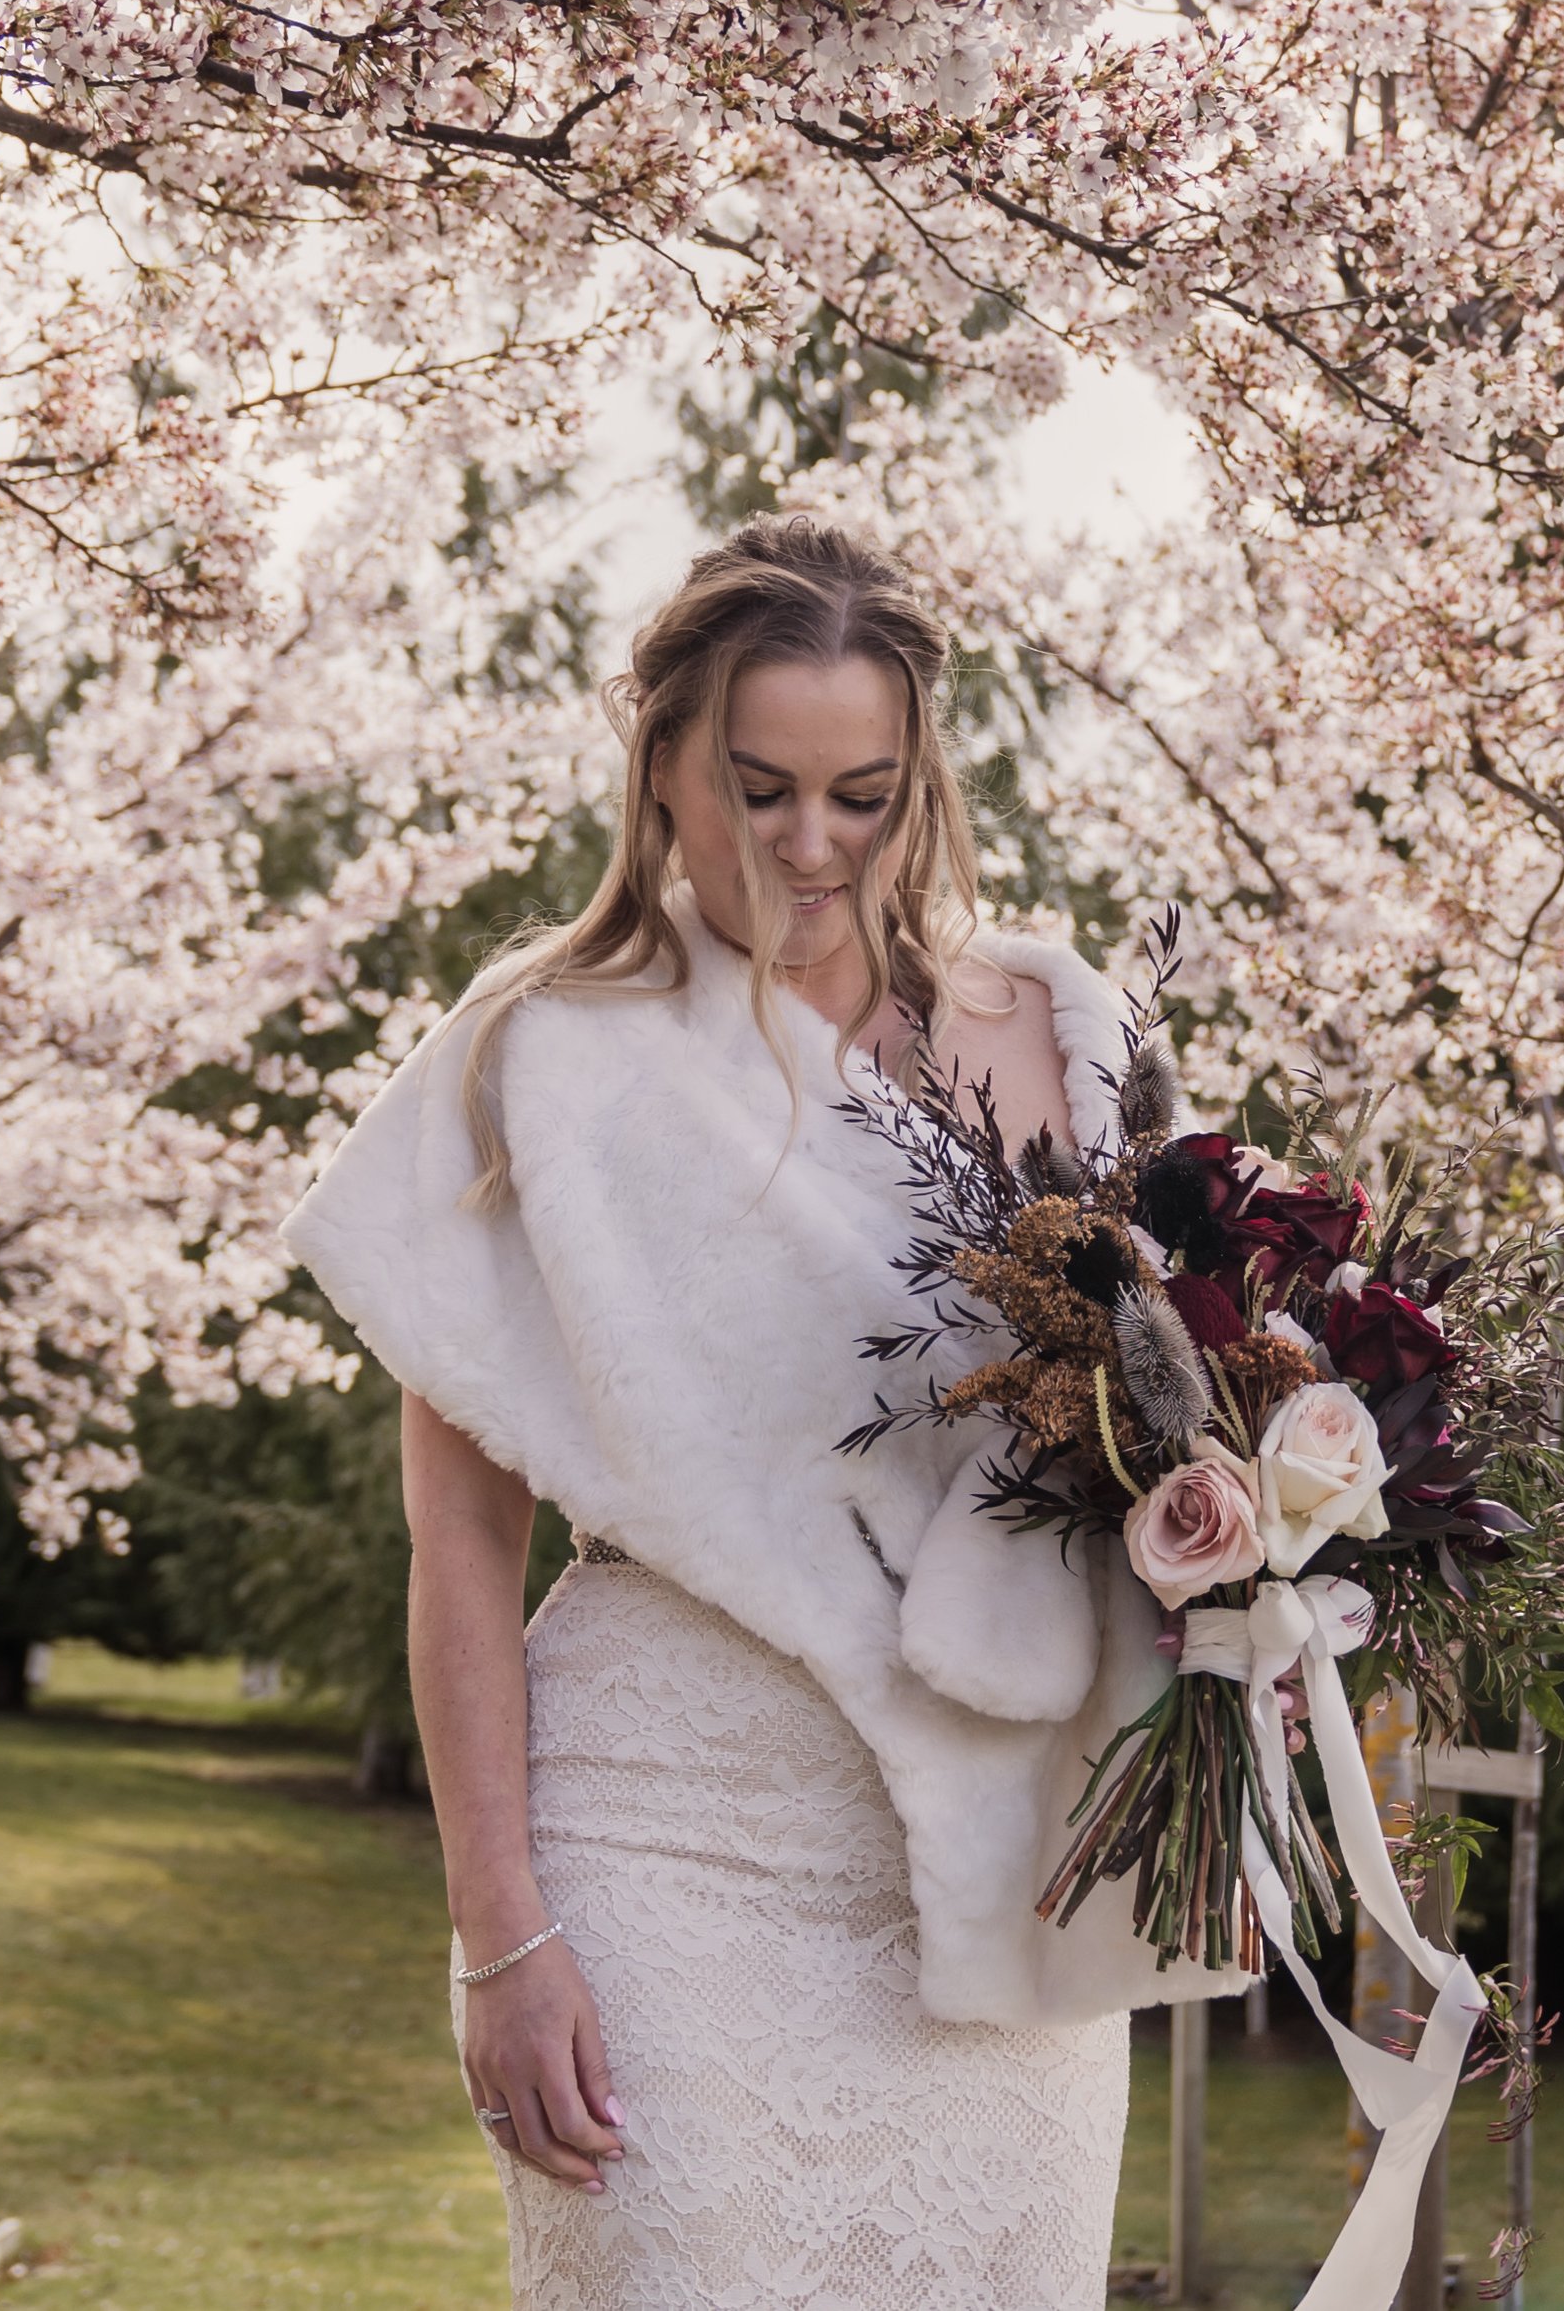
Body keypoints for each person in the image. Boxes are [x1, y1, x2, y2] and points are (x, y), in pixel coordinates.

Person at [285, 516, 1248, 2311]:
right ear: (660, 760)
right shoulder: (538, 1058)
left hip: (1000, 1878)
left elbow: (1182, 1441)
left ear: (919, 785)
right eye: (758, 788)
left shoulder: (1055, 1035)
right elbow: (461, 1542)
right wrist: (501, 1931)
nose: (811, 845)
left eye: (861, 796)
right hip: (666, 1853)